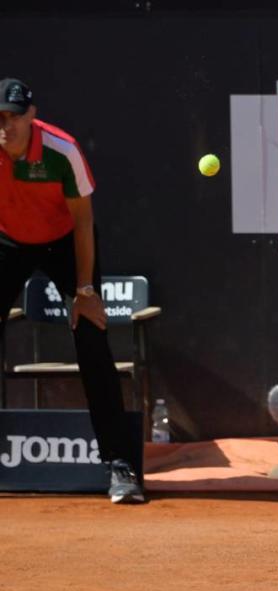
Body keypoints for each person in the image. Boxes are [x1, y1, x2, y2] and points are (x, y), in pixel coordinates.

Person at [0, 78, 144, 504]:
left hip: (63, 241)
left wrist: (84, 290)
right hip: (8, 241)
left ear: (31, 115)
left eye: (13, 116)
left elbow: (83, 220)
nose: (5, 126)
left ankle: (119, 465)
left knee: (92, 337)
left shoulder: (62, 150)